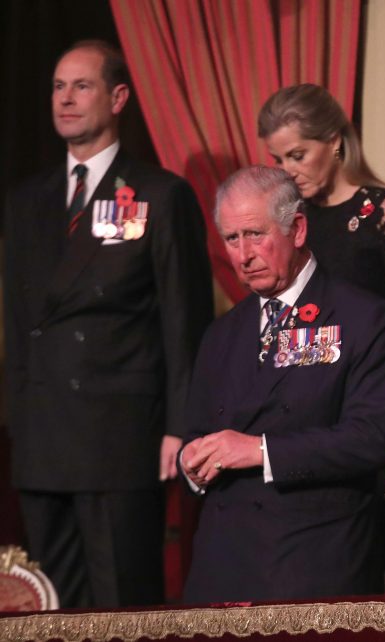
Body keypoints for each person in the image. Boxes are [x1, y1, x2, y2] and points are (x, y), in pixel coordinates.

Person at [3, 40, 213, 608]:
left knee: (122, 605)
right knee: (51, 608)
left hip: (120, 435)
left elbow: (183, 320)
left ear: (118, 97)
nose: (65, 99)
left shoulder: (159, 194)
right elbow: (20, 325)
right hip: (44, 438)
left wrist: (180, 424)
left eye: (81, 86)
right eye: (57, 86)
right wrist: (17, 421)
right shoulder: (27, 202)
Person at [179, 166, 385, 603]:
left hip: (312, 564)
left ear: (297, 229)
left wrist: (258, 450)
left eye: (255, 234)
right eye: (231, 239)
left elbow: (369, 439)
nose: (243, 255)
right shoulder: (221, 334)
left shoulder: (363, 318)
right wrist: (192, 460)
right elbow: (198, 432)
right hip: (221, 570)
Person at [258, 85, 385, 590]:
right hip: (315, 431)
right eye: (278, 158)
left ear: (334, 142)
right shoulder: (294, 223)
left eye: (298, 154)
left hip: (382, 426)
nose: (287, 169)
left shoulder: (384, 213)